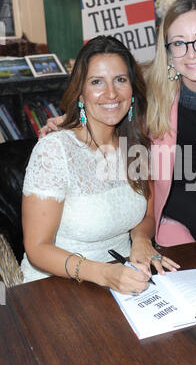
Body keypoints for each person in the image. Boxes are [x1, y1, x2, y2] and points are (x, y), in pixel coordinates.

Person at [41, 0, 196, 248]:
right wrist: (68, 123)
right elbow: (108, 104)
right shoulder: (149, 82)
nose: (191, 54)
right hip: (163, 202)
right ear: (167, 49)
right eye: (179, 43)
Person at [21, 35, 179, 292]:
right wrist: (104, 274)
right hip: (55, 287)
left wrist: (140, 239)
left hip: (125, 279)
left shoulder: (136, 146)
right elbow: (38, 248)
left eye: (120, 80)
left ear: (132, 90)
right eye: (97, 82)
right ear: (80, 93)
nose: (111, 93)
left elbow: (147, 215)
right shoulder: (55, 150)